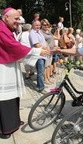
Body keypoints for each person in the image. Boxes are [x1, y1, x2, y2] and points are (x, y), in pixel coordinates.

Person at [0, 7, 49, 139]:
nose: (18, 21)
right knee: (5, 98)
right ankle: (5, 128)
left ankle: (13, 122)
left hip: (9, 66)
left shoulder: (6, 28)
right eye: (16, 19)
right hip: (3, 69)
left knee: (13, 96)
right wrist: (37, 52)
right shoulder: (1, 29)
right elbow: (13, 47)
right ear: (6, 18)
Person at [29, 20, 49, 94]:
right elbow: (36, 44)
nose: (38, 27)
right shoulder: (32, 33)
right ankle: (41, 87)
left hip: (42, 54)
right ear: (33, 25)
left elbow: (43, 41)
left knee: (41, 71)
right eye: (36, 25)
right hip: (38, 55)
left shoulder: (39, 32)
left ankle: (40, 84)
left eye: (39, 25)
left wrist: (47, 47)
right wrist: (46, 48)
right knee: (40, 72)